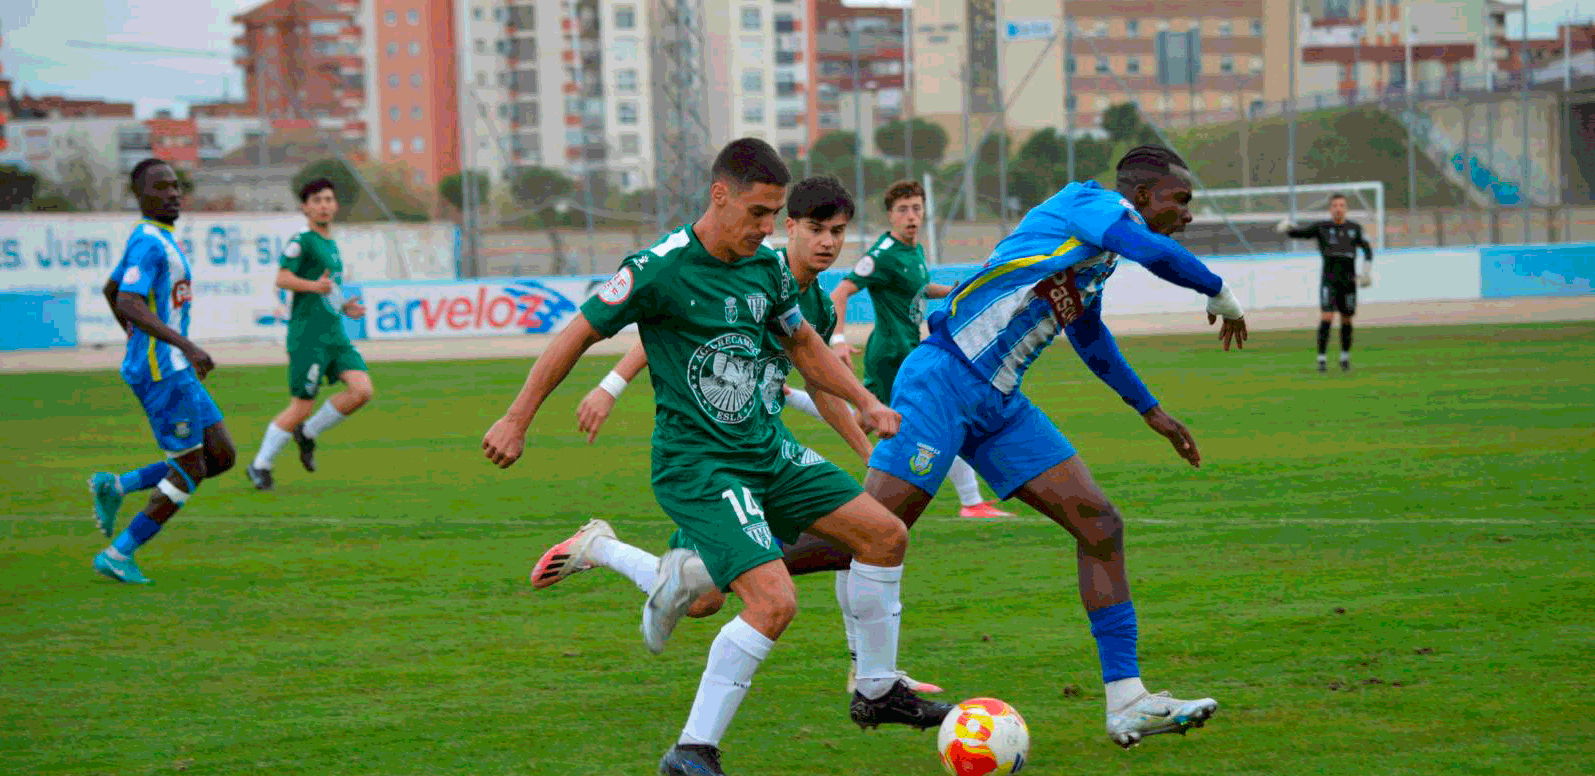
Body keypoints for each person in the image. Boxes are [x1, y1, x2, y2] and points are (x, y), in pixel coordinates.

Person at [480, 140, 951, 776]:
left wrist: (865, 402)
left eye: (775, 214)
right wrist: (516, 418)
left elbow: (804, 345)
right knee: (772, 602)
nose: (766, 228)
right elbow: (576, 333)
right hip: (701, 467)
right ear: (719, 195)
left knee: (883, 534)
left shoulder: (767, 269)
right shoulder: (658, 268)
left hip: (768, 451)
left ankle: (875, 691)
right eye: (758, 213)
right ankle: (692, 751)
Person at [795, 146, 1251, 749]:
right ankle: (711, 569)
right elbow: (1154, 250)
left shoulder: (1098, 257)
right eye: (1179, 201)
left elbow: (1089, 336)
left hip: (999, 402)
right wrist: (1217, 289)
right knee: (864, 536)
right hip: (944, 378)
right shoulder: (1088, 204)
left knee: (1099, 524)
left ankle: (1128, 701)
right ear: (1142, 196)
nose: (1186, 215)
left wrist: (1152, 412)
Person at [88, 158, 236, 585]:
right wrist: (183, 345)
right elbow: (128, 300)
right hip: (163, 372)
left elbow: (111, 290)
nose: (173, 193)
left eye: (176, 185)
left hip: (170, 367)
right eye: (162, 186)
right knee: (191, 469)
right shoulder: (150, 244)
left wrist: (139, 339)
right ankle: (119, 553)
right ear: (141, 195)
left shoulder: (155, 238)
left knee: (220, 456)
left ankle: (116, 486)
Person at [829, 180, 1012, 519]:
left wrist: (952, 291)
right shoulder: (882, 255)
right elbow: (839, 293)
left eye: (916, 208)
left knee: (866, 419)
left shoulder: (915, 250)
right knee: (939, 417)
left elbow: (918, 287)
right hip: (891, 353)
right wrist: (837, 340)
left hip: (910, 349)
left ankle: (808, 412)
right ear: (890, 215)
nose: (911, 216)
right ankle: (971, 502)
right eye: (903, 210)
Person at [246, 178, 373, 489]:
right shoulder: (302, 241)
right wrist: (314, 286)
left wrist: (344, 306)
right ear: (304, 208)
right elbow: (283, 277)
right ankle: (260, 464)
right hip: (308, 337)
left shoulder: (330, 243)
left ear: (336, 205)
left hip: (335, 334)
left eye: (329, 199)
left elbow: (326, 287)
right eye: (316, 200)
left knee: (362, 391)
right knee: (301, 405)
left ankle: (308, 433)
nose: (324, 205)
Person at [1275, 193, 1373, 372]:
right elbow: (1301, 233)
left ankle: (1344, 358)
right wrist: (1287, 229)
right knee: (1327, 317)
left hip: (1349, 281)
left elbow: (1367, 249)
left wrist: (1366, 272)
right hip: (1329, 281)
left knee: (1347, 319)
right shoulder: (1322, 228)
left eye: (1342, 205)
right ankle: (1321, 359)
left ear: (1346, 208)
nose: (1338, 208)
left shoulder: (1354, 228)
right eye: (1335, 205)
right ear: (1330, 209)